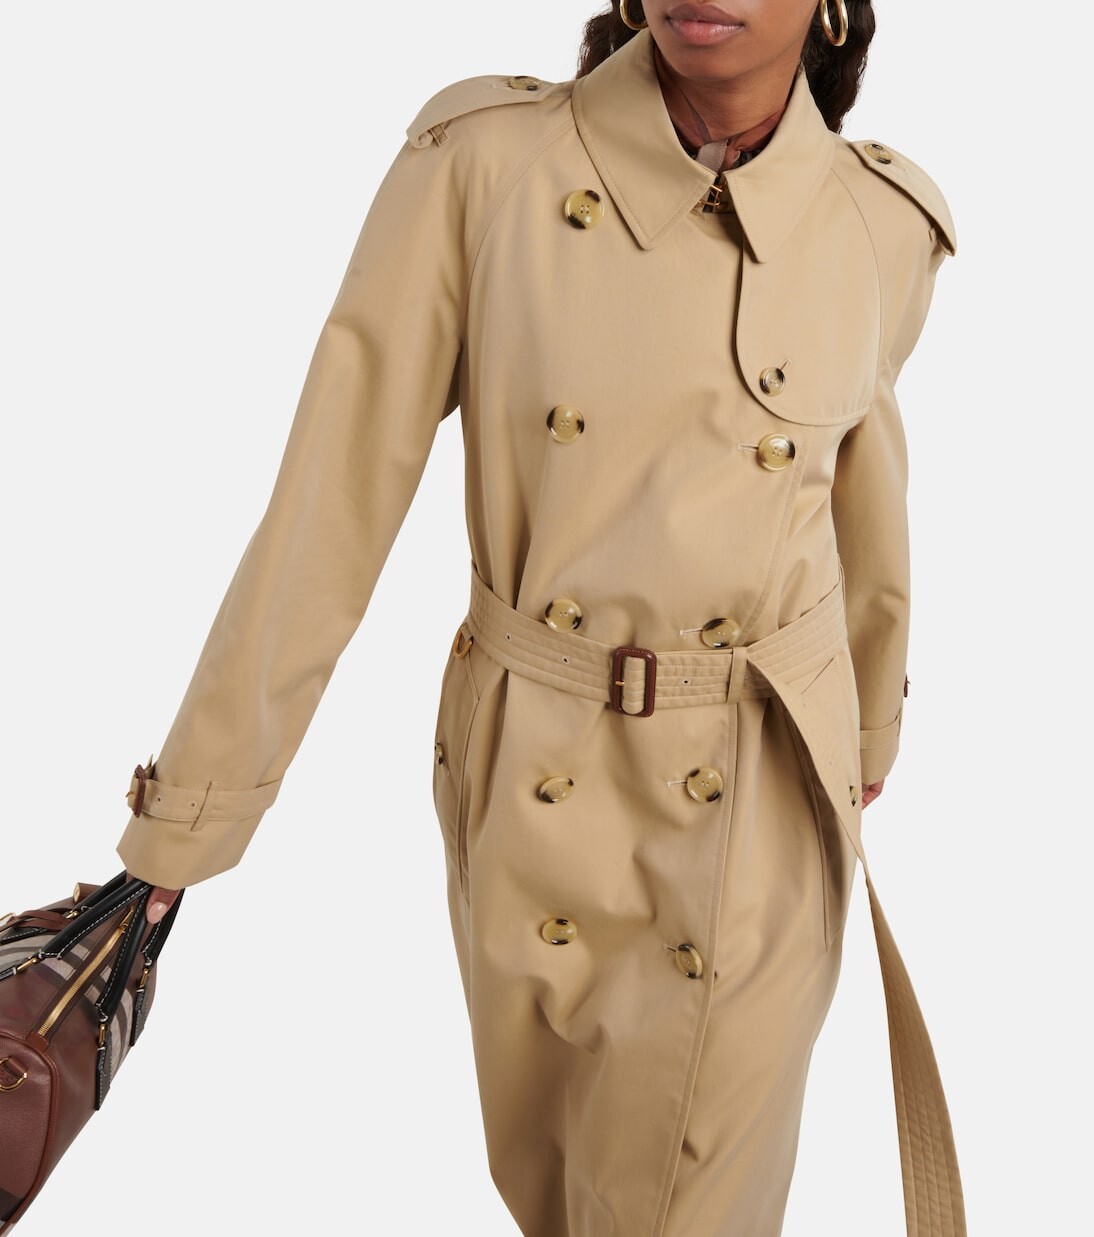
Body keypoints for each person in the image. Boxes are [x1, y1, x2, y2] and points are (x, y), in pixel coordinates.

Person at [119, 1, 964, 1233]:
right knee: (553, 1197)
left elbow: (859, 498)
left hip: (758, 802)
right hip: (525, 771)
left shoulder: (879, 222)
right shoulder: (482, 165)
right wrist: (190, 817)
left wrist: (865, 733)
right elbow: (330, 506)